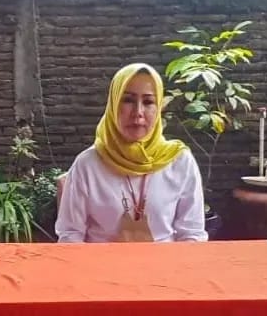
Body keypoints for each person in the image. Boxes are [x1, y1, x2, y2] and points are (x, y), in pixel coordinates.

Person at [56, 63, 207, 243]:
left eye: (148, 102)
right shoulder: (88, 164)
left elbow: (192, 234)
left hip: (164, 266)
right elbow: (70, 235)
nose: (138, 112)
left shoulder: (179, 161)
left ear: (158, 108)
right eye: (128, 100)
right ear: (113, 104)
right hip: (102, 267)